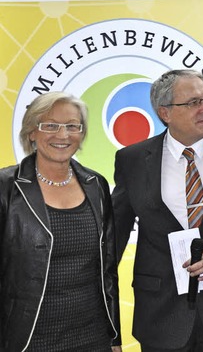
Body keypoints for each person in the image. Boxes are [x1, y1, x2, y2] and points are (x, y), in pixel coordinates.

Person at [112, 69, 203, 351]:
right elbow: (111, 247)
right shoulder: (132, 161)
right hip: (161, 317)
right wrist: (110, 331)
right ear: (165, 113)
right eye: (193, 103)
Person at [0, 92, 121, 351]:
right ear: (32, 132)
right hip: (28, 339)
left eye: (72, 126)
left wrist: (115, 338)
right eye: (50, 125)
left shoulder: (96, 185)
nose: (63, 135)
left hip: (93, 338)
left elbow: (108, 272)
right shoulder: (6, 188)